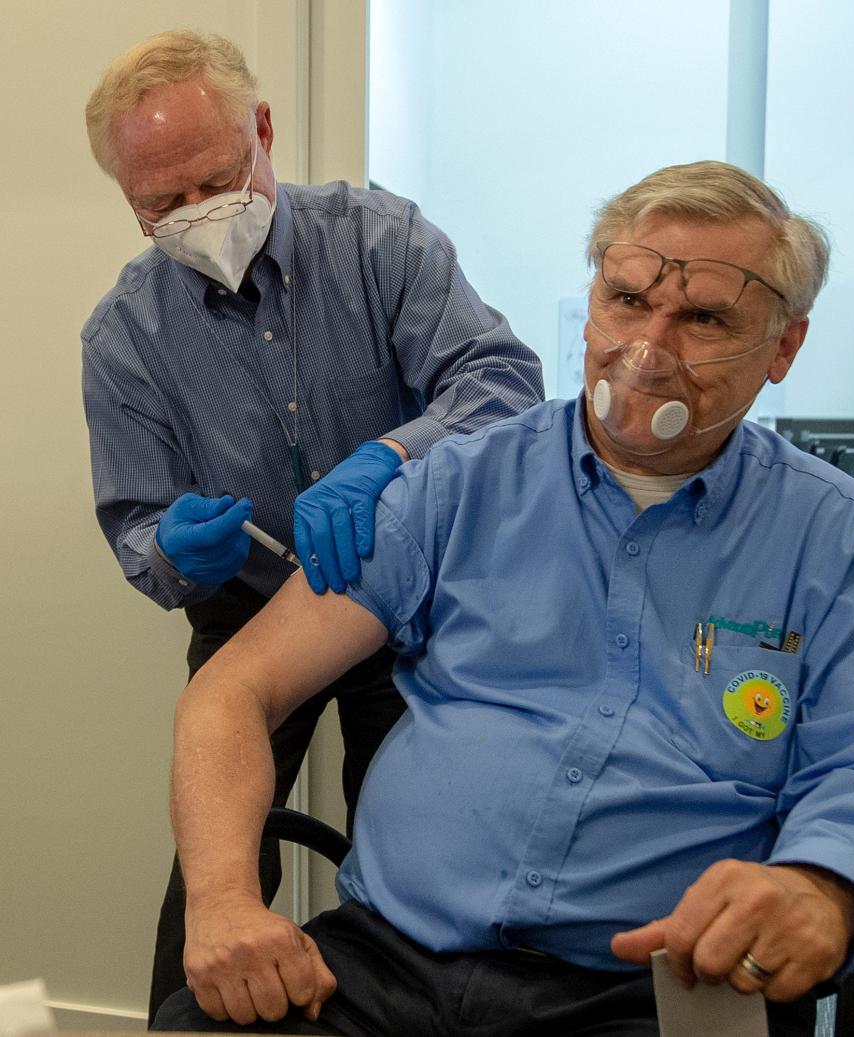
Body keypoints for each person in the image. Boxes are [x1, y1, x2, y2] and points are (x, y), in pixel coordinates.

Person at [153, 161, 854, 1037]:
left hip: (653, 991)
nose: (648, 348)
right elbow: (235, 689)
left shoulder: (832, 538)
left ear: (784, 347)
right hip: (387, 961)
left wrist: (824, 887)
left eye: (704, 317)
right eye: (625, 300)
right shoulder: (459, 486)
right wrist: (226, 899)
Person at [80, 29, 544, 1025]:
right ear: (126, 194)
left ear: (264, 130)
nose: (197, 214)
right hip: (253, 609)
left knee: (420, 842)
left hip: (410, 599)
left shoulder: (383, 242)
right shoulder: (126, 336)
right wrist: (173, 547)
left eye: (214, 176)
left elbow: (502, 383)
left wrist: (394, 455)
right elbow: (135, 525)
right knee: (215, 867)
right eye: (161, 203)